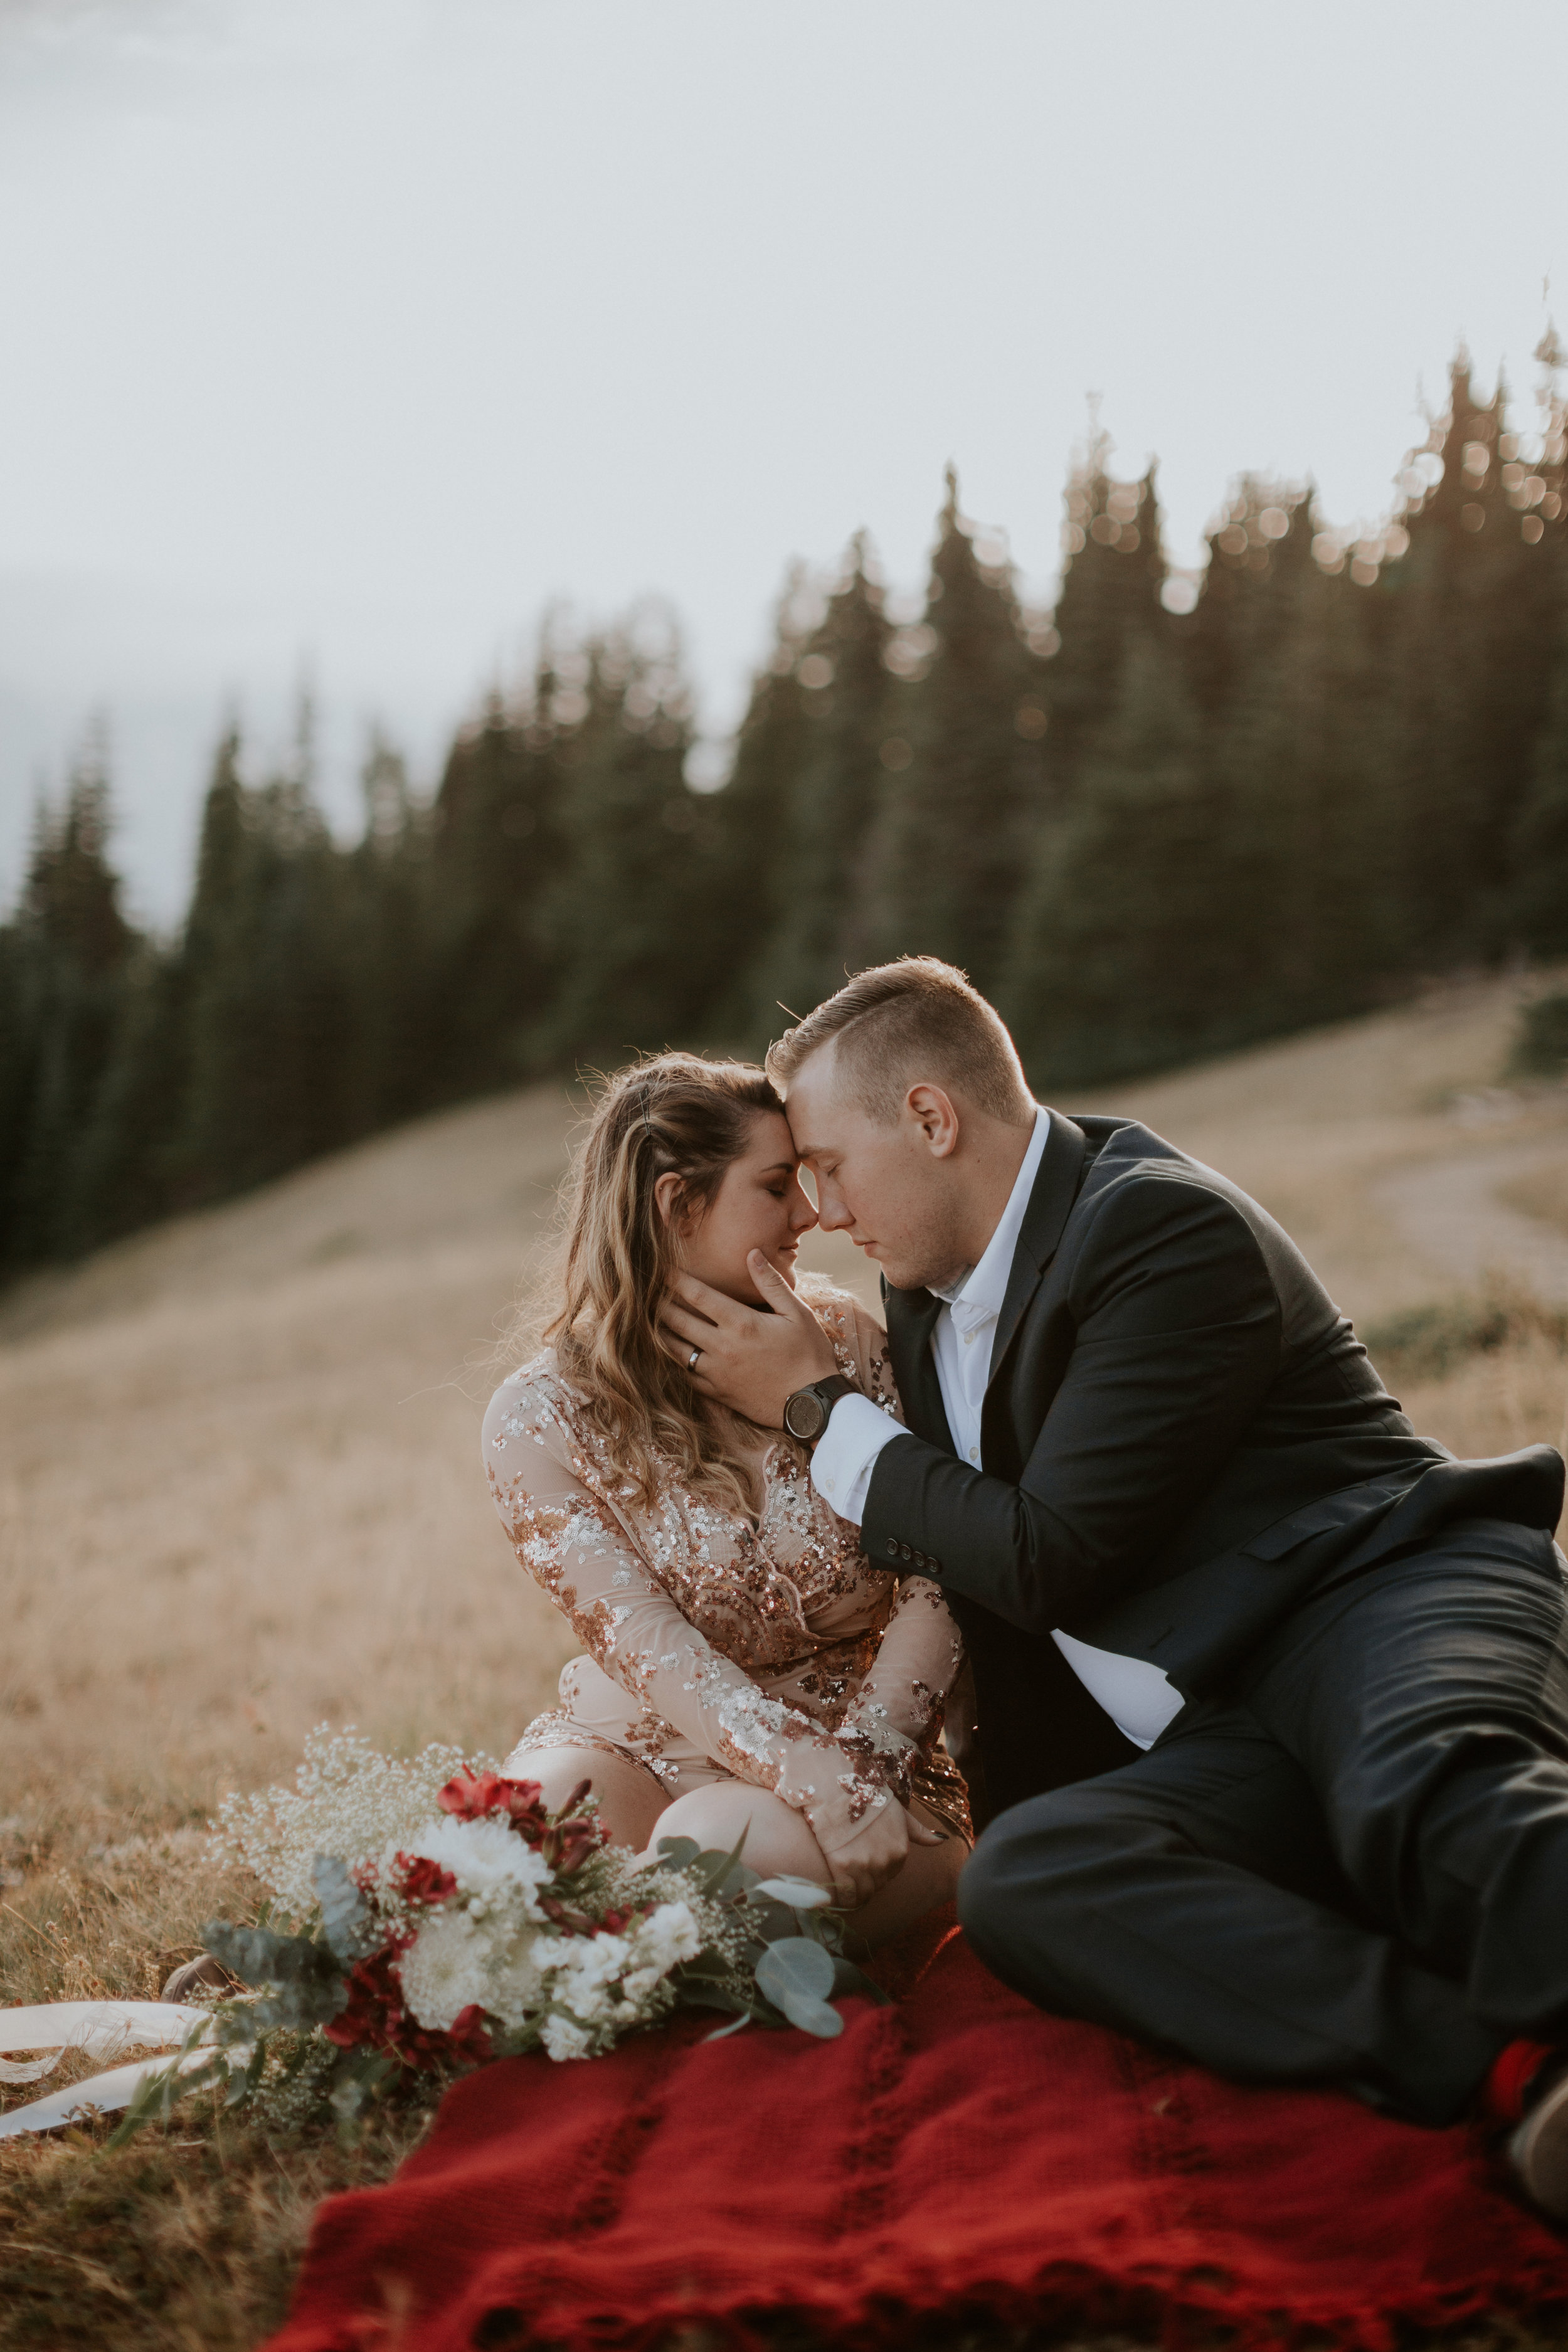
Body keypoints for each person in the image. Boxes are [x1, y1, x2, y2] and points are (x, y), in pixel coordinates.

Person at [660, 956, 1568, 2218]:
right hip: (1223, 1721)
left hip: (1372, 1602)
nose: (813, 1210)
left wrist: (818, 1412)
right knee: (1030, 1877)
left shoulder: (1156, 1225)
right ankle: (1510, 2072)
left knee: (1421, 1788)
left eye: (825, 1164)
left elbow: (1047, 1553)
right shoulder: (920, 1295)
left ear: (931, 1119)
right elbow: (990, 1586)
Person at [483, 1051, 970, 1946]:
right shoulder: (538, 1415)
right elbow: (643, 1643)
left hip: (863, 1746)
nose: (811, 1214)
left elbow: (937, 1574)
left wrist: (855, 1772)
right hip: (636, 1740)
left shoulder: (848, 1347)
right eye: (778, 1184)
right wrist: (805, 1771)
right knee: (518, 1843)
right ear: (678, 1203)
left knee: (714, 1857)